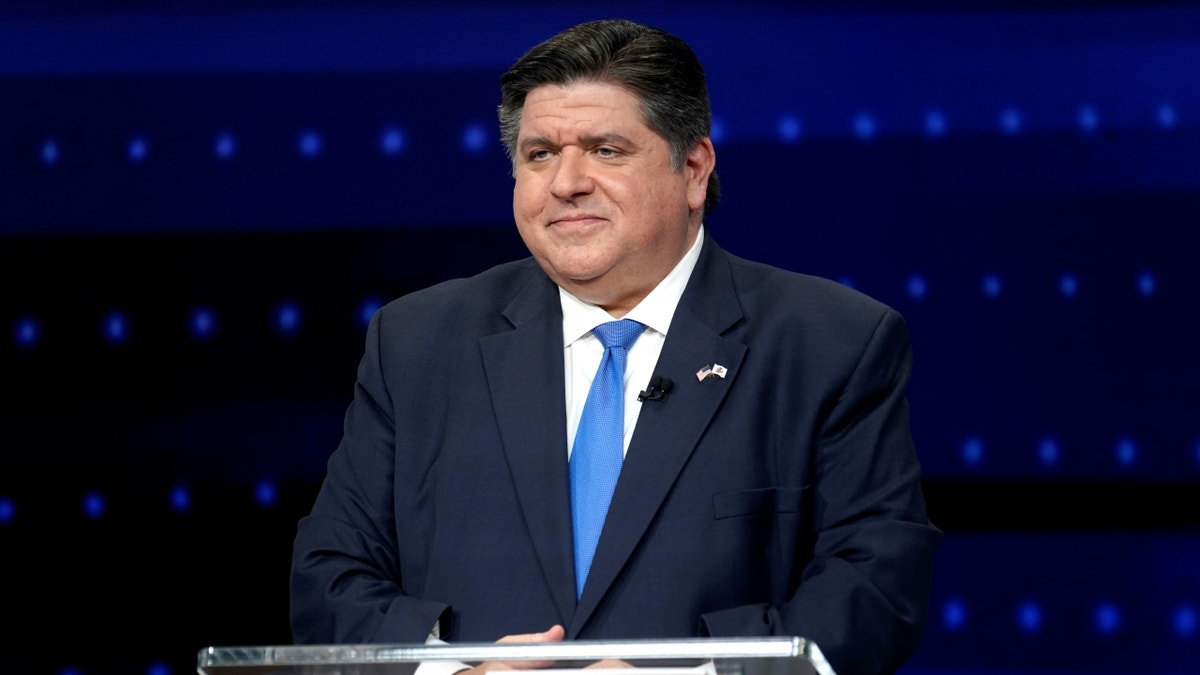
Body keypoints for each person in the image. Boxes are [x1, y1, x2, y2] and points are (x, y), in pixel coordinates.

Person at [290, 17, 941, 675]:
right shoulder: (418, 341)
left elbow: (875, 586)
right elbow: (331, 576)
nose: (566, 182)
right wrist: (453, 671)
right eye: (540, 153)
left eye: (604, 149)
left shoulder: (830, 342)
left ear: (693, 169)